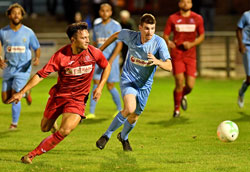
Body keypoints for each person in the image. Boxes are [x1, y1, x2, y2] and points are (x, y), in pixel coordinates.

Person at [7, 22, 111, 164]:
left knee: (65, 130)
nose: (87, 40)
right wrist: (21, 92)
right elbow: (41, 74)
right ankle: (53, 123)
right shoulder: (61, 56)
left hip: (78, 100)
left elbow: (107, 66)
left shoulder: (93, 52)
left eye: (88, 37)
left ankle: (31, 155)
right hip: (59, 96)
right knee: (44, 128)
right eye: (83, 38)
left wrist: (99, 87)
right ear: (73, 40)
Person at [96, 13, 172, 151]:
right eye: (147, 28)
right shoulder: (130, 35)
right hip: (129, 79)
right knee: (129, 109)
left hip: (145, 85)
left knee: (134, 116)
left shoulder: (159, 42)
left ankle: (123, 137)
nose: (150, 32)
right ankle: (106, 135)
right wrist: (99, 50)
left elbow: (170, 66)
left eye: (153, 28)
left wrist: (157, 61)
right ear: (140, 28)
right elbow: (115, 35)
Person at [0, 3, 41, 130]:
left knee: (15, 94)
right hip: (8, 67)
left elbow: (37, 47)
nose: (16, 15)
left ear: (22, 16)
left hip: (23, 68)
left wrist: (37, 57)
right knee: (5, 99)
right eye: (14, 13)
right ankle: (26, 92)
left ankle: (14, 123)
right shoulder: (3, 32)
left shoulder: (28, 32)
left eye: (19, 13)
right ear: (9, 15)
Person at [163, 0, 205, 118]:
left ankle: (181, 95)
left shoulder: (197, 18)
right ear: (179, 4)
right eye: (183, 1)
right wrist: (168, 42)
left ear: (192, 4)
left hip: (191, 55)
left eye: (188, 2)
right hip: (177, 54)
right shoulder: (173, 18)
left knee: (190, 86)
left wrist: (192, 44)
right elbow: (165, 35)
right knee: (179, 82)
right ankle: (176, 110)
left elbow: (202, 36)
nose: (186, 4)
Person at [86, 3, 122, 119]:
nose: (105, 13)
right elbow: (95, 43)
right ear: (100, 12)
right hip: (98, 60)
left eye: (107, 11)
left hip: (111, 61)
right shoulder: (96, 26)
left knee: (110, 85)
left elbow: (119, 45)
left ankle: (119, 109)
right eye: (102, 10)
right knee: (95, 83)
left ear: (111, 12)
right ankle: (91, 112)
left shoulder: (116, 26)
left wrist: (111, 60)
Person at [236, 10, 250, 108]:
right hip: (248, 47)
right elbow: (238, 29)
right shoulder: (246, 15)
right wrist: (241, 44)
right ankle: (241, 92)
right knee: (249, 78)